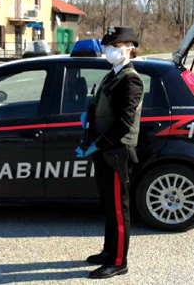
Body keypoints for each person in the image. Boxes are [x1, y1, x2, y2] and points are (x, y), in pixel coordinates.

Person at [76, 26, 144, 279]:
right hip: (105, 150)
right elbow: (103, 107)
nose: (110, 51)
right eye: (108, 47)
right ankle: (109, 251)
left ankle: (118, 262)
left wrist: (99, 143)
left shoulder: (131, 79)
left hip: (116, 151)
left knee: (118, 208)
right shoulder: (113, 75)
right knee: (108, 204)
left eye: (115, 47)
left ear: (130, 48)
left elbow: (125, 122)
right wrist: (89, 120)